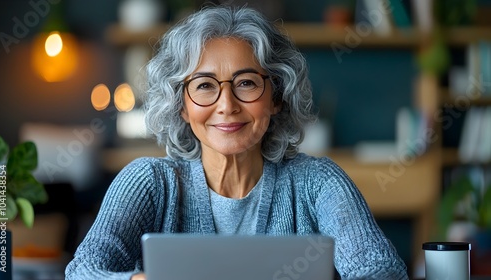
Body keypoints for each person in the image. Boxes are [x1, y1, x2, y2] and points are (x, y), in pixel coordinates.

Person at [65, 5, 408, 280]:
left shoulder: (317, 182)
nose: (226, 105)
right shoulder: (148, 182)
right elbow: (82, 271)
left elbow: (381, 270)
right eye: (204, 85)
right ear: (181, 106)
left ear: (277, 97)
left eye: (245, 83)